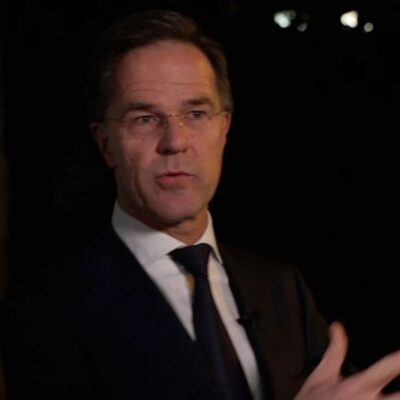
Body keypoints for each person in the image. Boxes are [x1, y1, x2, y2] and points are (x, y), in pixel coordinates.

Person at [1, 9, 400, 400]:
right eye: (145, 119)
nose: (175, 141)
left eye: (195, 113)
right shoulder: (47, 310)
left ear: (224, 129)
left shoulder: (282, 287)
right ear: (106, 143)